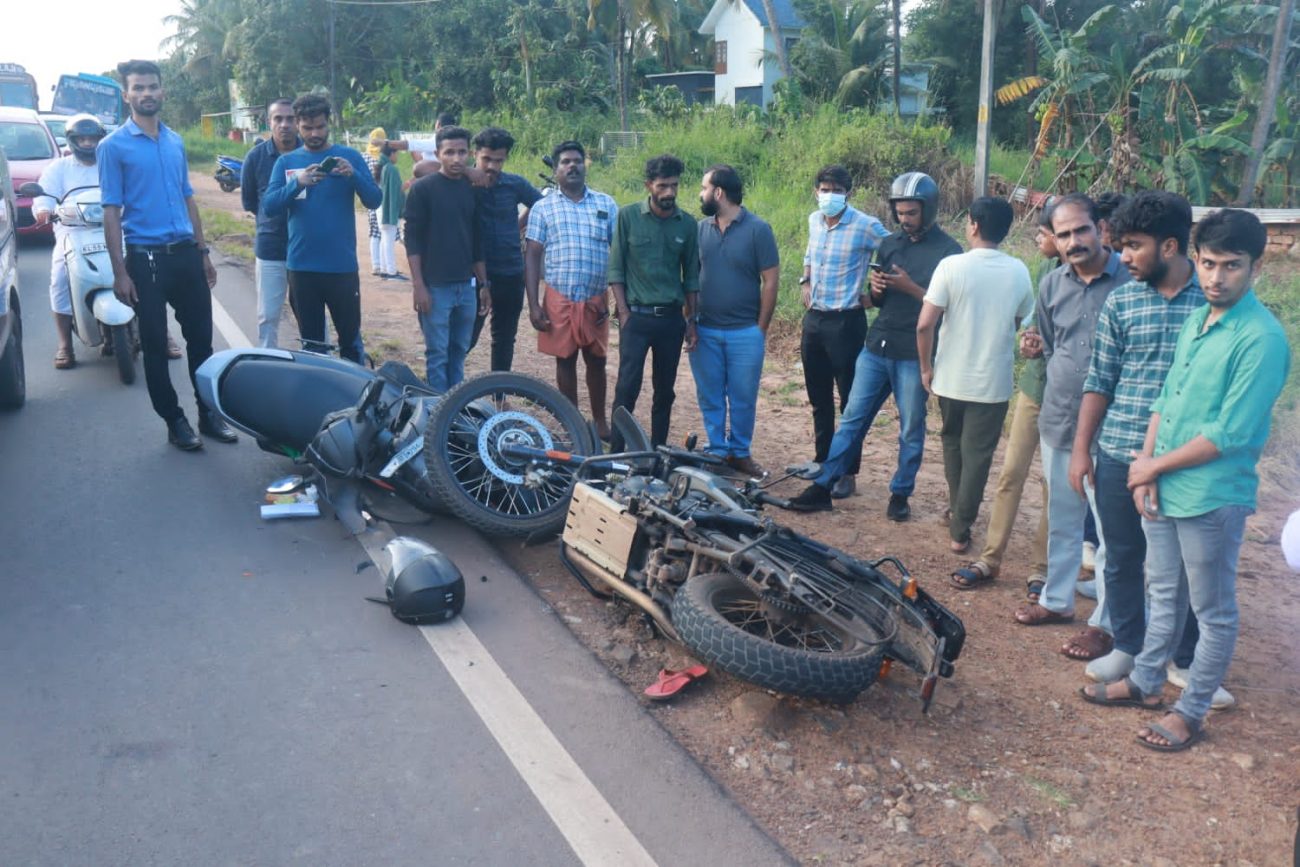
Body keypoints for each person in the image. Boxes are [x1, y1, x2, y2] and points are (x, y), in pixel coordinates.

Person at [1080, 208, 1289, 753]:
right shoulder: (1201, 320)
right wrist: (1145, 466)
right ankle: (1148, 681)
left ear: (1255, 268)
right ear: (1193, 260)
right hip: (1165, 484)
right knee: (1164, 591)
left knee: (1211, 609)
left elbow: (1231, 432)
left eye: (1232, 266)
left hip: (1212, 495)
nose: (1217, 277)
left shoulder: (1262, 339)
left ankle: (1191, 710)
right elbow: (1165, 399)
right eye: (1209, 264)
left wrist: (1155, 467)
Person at [1068, 191, 1218, 695]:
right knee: (1123, 557)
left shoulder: (1213, 303)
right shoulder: (1122, 300)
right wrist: (1081, 448)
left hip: (1184, 461)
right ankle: (1128, 646)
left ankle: (1184, 658)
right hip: (1117, 454)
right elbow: (1100, 380)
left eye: (1133, 245)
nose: (1124, 256)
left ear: (1171, 245)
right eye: (1121, 245)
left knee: (1188, 572)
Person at [788, 171, 962, 515]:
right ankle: (824, 484)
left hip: (914, 351)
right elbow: (881, 299)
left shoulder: (949, 252)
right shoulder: (890, 243)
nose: (905, 219)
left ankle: (900, 494)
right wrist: (879, 290)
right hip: (877, 344)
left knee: (911, 427)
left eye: (912, 213)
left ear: (928, 210)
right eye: (900, 212)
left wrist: (910, 287)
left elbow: (948, 308)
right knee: (852, 417)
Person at [98, 59, 236, 450]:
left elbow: (188, 198)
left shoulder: (175, 141)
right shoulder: (113, 147)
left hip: (186, 256)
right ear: (126, 95)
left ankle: (207, 414)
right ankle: (174, 421)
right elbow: (112, 211)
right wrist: (120, 271)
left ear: (163, 91)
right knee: (156, 346)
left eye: (152, 87)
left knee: (202, 342)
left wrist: (203, 252)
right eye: (138, 88)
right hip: (147, 260)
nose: (146, 94)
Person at [1014, 194, 1125, 641]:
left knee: (1112, 529)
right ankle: (1057, 601)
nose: (1074, 241)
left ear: (1100, 228)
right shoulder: (1052, 285)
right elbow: (1050, 340)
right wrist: (1031, 343)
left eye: (1081, 230)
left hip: (1112, 428)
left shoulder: (1129, 282)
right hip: (1059, 417)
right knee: (1063, 515)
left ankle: (1108, 621)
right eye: (1063, 235)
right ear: (1054, 241)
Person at [916, 196, 1033, 553]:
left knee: (952, 444)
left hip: (950, 376)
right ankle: (961, 523)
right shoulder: (1019, 271)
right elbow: (1018, 322)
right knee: (978, 455)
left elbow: (925, 325)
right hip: (992, 383)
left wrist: (926, 366)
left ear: (973, 225)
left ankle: (959, 518)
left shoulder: (951, 266)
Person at [949, 205, 1055, 592]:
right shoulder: (1044, 272)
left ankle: (1040, 570)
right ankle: (990, 559)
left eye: (1047, 233)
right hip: (1034, 385)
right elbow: (1030, 323)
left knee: (1053, 485)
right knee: (1010, 475)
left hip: (1071, 397)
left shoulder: (1107, 285)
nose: (1041, 240)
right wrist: (1031, 343)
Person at [261, 93, 382, 364]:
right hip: (302, 268)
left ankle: (356, 399)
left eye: (320, 126)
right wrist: (298, 183)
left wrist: (355, 174)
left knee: (350, 341)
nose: (314, 133)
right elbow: (269, 206)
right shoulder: (286, 162)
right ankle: (319, 400)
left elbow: (374, 200)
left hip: (342, 267)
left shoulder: (348, 156)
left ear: (330, 124)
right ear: (298, 126)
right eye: (307, 127)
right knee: (312, 345)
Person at [798, 164, 890, 498]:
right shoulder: (814, 220)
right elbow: (810, 252)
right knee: (818, 397)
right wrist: (806, 279)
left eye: (837, 190)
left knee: (850, 401)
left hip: (846, 322)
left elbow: (894, 251)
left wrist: (876, 295)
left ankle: (848, 471)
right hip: (815, 320)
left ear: (848, 193)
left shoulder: (865, 226)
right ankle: (824, 462)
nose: (829, 195)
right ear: (816, 191)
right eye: (825, 188)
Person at [690, 164, 780, 476]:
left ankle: (740, 452)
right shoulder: (700, 230)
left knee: (743, 397)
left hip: (745, 332)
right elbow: (688, 277)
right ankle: (717, 452)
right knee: (710, 395)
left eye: (704, 188)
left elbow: (770, 281)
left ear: (718, 192)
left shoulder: (758, 229)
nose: (700, 194)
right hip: (705, 329)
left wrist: (761, 329)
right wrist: (690, 322)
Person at [524, 140, 618, 439]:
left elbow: (618, 253)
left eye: (577, 160)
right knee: (564, 361)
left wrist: (618, 299)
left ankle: (600, 422)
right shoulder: (543, 208)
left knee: (597, 360)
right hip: (559, 298)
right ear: (556, 169)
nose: (572, 165)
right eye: (565, 161)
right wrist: (534, 304)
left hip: (595, 298)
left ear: (584, 165)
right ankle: (572, 422)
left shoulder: (606, 204)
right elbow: (533, 255)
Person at [607, 154, 700, 450]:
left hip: (671, 320)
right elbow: (616, 268)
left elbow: (692, 277)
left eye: (674, 185)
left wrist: (691, 320)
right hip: (636, 318)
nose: (669, 193)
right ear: (649, 185)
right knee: (627, 387)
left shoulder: (687, 225)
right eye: (662, 186)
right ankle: (616, 453)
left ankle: (658, 451)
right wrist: (623, 313)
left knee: (665, 391)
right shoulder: (628, 216)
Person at [403, 125, 487, 391]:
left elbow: (476, 241)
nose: (456, 158)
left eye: (462, 152)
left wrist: (483, 285)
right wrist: (419, 286)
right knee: (437, 354)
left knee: (459, 351)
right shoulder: (423, 189)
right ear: (438, 154)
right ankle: (436, 412)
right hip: (435, 286)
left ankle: (454, 410)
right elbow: (412, 239)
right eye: (449, 152)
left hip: (467, 285)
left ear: (470, 153)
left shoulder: (471, 189)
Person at [34, 114, 106, 369]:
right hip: (72, 232)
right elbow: (44, 196)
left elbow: (132, 191)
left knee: (143, 268)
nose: (87, 143)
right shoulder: (59, 168)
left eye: (93, 138)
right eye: (82, 138)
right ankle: (65, 344)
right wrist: (43, 209)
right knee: (60, 279)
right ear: (72, 141)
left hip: (112, 229)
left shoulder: (112, 164)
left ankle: (162, 335)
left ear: (101, 139)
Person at [467, 126, 542, 372]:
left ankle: (499, 396)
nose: (491, 166)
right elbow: (422, 171)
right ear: (474, 153)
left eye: (498, 160)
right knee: (467, 336)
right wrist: (468, 172)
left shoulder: (514, 184)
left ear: (505, 159)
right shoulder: (462, 183)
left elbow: (542, 206)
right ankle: (446, 391)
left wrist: (520, 224)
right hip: (476, 275)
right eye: (486, 158)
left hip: (511, 271)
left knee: (504, 339)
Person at [240, 98, 301, 347]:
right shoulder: (255, 158)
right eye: (278, 119)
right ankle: (268, 363)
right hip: (271, 249)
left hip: (306, 249)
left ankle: (319, 368)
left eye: (290, 118)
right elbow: (250, 202)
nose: (284, 124)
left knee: (311, 318)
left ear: (298, 122)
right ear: (269, 122)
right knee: (268, 316)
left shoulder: (309, 154)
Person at [373, 142, 405, 280]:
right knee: (388, 240)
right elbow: (394, 193)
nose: (397, 156)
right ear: (391, 154)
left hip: (381, 208)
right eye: (396, 153)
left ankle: (385, 269)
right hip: (388, 209)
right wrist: (396, 212)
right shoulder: (391, 169)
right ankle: (391, 271)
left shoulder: (383, 167)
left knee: (384, 239)